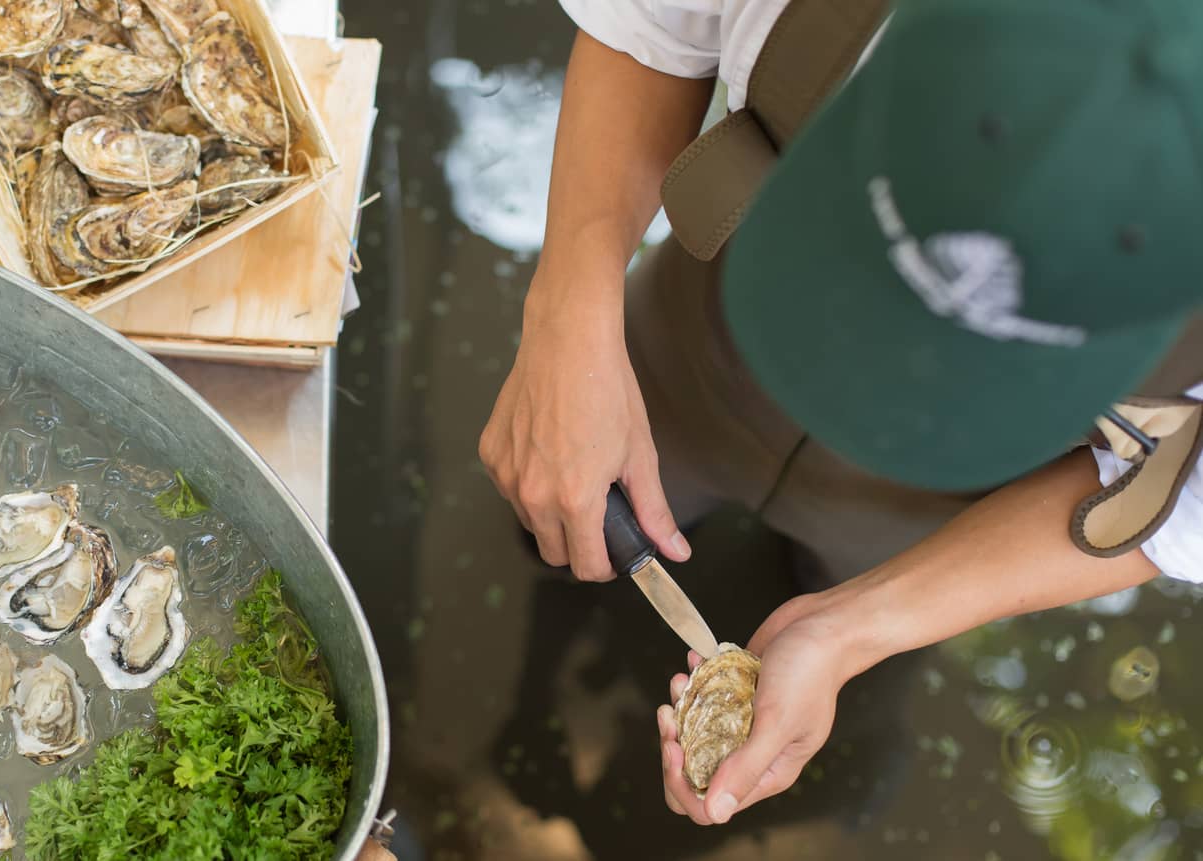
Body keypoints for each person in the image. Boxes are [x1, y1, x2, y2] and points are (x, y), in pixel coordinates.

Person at [479, 0, 1203, 829]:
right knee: (559, 520)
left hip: (937, 511)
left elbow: (1182, 504)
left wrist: (853, 628)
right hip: (691, 357)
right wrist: (568, 316)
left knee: (849, 664)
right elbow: (649, 29)